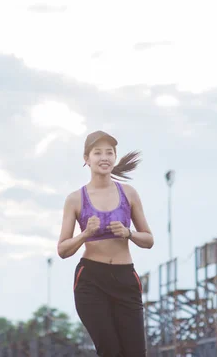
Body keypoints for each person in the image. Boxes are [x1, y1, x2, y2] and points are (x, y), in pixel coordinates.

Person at [57, 130, 154, 356]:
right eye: (97, 152)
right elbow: (62, 249)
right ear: (86, 159)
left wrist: (128, 233)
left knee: (135, 353)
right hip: (91, 281)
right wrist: (84, 234)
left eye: (109, 153)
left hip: (125, 279)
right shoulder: (75, 199)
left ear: (114, 157)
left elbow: (148, 239)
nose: (104, 157)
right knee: (110, 351)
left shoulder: (129, 193)